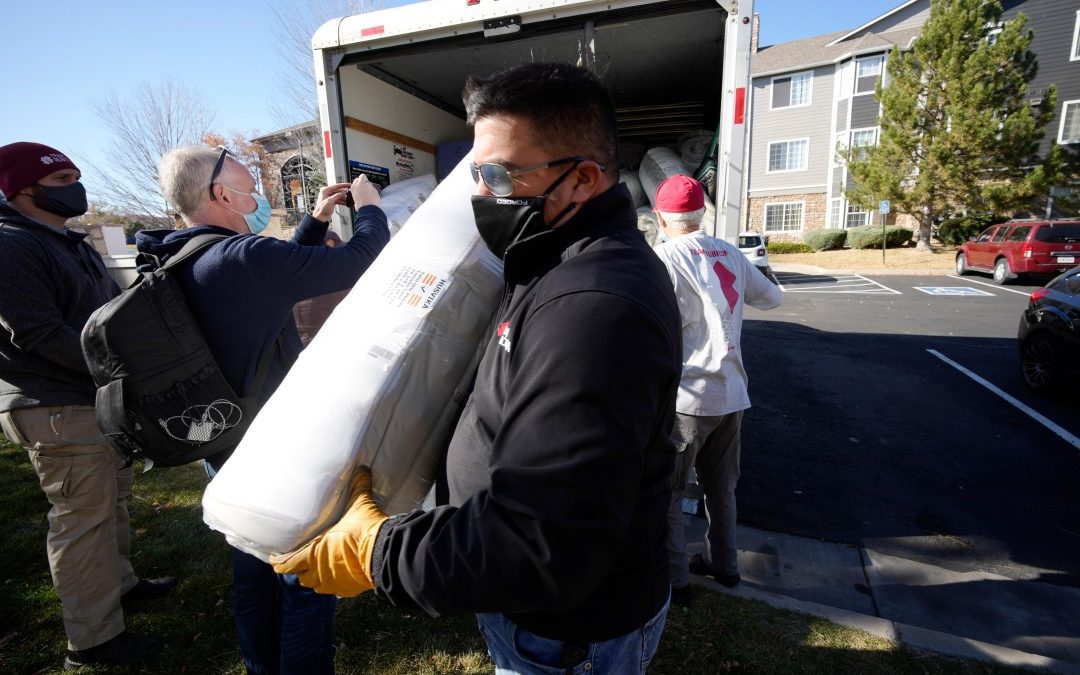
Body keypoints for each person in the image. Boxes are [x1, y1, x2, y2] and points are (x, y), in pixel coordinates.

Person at [272, 62, 683, 674]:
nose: (482, 195)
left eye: (498, 175)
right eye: (476, 173)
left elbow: (543, 541)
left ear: (583, 179)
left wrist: (377, 552)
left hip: (569, 640)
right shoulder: (552, 261)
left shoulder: (593, 308)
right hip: (542, 620)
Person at [138, 145, 390, 675]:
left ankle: (262, 664)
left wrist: (314, 219)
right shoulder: (242, 259)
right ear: (220, 195)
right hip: (273, 447)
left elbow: (271, 281)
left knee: (253, 562)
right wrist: (369, 206)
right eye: (247, 185)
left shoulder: (182, 255)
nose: (256, 194)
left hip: (222, 438)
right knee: (305, 573)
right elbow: (359, 259)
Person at [0, 141, 177, 669]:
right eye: (61, 182)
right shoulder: (11, 245)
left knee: (112, 503)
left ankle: (118, 587)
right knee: (82, 520)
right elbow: (36, 332)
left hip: (96, 397)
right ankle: (94, 639)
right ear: (22, 190)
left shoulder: (64, 241)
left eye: (76, 176)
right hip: (56, 407)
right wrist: (115, 365)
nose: (76, 188)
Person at [650, 175, 782, 608]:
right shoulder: (730, 252)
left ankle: (676, 581)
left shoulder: (663, 259)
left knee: (669, 491)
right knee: (720, 488)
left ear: (659, 217)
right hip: (733, 393)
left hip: (687, 398)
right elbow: (772, 300)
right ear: (702, 213)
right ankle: (724, 565)